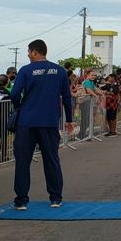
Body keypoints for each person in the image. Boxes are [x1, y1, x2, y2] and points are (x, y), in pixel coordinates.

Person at [9, 40, 74, 210]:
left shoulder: (25, 70)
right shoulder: (59, 71)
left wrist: (19, 107)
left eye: (29, 52)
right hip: (49, 121)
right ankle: (55, 198)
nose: (28, 55)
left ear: (34, 52)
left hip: (27, 122)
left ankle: (21, 200)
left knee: (23, 161)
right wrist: (70, 120)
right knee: (51, 160)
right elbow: (67, 97)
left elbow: (15, 94)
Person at [102, 71, 121, 136]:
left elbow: (114, 92)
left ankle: (113, 131)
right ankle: (110, 131)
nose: (108, 79)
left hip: (113, 103)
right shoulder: (108, 85)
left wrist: (107, 92)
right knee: (108, 118)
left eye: (109, 77)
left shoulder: (116, 85)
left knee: (113, 118)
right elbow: (101, 88)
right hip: (108, 104)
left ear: (113, 78)